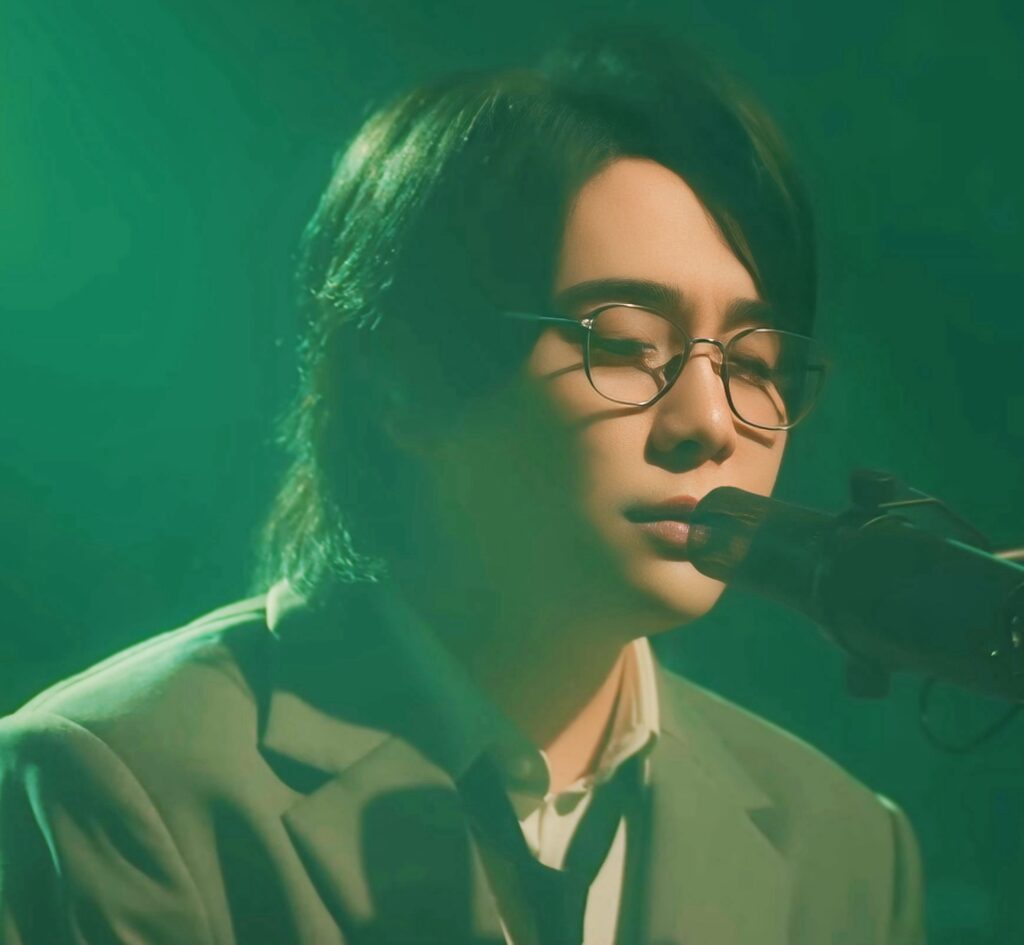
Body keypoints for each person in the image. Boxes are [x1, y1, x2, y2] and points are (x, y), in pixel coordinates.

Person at [0, 27, 925, 945]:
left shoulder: (848, 850)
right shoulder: (114, 786)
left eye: (755, 363)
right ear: (402, 375)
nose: (711, 422)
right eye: (623, 343)